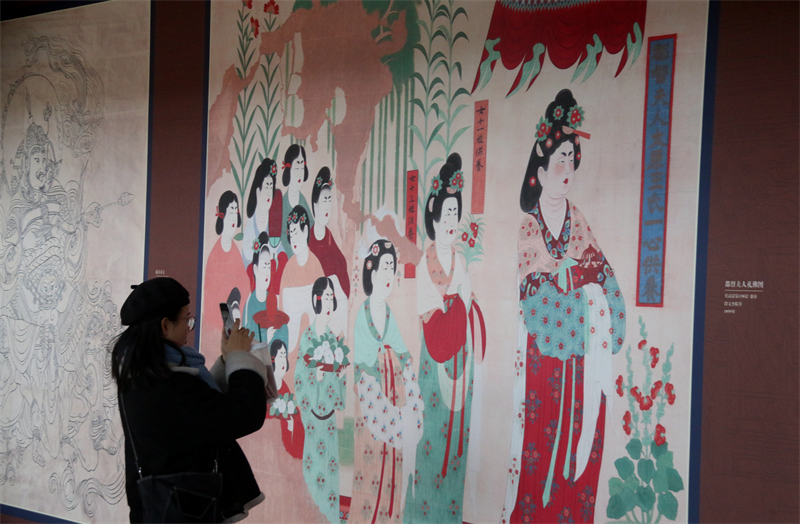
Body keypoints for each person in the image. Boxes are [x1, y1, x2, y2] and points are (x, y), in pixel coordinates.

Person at [503, 89, 626, 524]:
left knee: (584, 437)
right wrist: (581, 289)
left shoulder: (580, 221)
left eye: (572, 157)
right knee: (545, 445)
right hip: (546, 361)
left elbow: (604, 273)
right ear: (540, 169)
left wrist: (606, 305)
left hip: (585, 359)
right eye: (560, 159)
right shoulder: (528, 228)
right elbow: (535, 301)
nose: (567, 166)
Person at [111, 277, 277, 523]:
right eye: (187, 320)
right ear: (165, 326)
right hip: (182, 509)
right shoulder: (166, 386)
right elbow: (242, 414)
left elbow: (203, 410)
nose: (189, 328)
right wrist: (240, 357)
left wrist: (228, 358)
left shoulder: (143, 374)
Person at [404, 154, 485, 524]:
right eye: (445, 214)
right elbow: (434, 321)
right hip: (434, 363)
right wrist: (458, 299)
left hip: (461, 363)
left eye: (456, 214)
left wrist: (460, 297)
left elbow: (465, 313)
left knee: (457, 445)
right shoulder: (425, 266)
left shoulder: (462, 264)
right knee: (430, 439)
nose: (451, 222)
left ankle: (449, 512)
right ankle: (421, 513)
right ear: (434, 218)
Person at [350, 240, 424, 524]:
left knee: (391, 458)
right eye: (384, 268)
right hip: (371, 395)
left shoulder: (389, 313)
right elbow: (362, 360)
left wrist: (403, 359)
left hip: (391, 397)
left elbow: (399, 345)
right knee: (371, 461)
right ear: (372, 273)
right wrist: (377, 369)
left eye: (392, 268)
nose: (388, 275)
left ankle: (390, 514)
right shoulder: (363, 313)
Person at [295, 277, 348, 523]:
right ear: (317, 300)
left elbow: (337, 386)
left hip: (329, 422)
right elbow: (299, 379)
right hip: (314, 420)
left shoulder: (331, 337)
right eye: (324, 297)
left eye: (331, 297)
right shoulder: (307, 337)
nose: (328, 301)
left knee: (331, 474)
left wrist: (339, 374)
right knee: (314, 472)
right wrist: (313, 376)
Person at [202, 190, 251, 363]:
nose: (233, 218)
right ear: (222, 216)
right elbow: (211, 301)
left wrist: (236, 301)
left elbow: (244, 284)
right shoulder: (215, 255)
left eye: (236, 212)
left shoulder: (235, 251)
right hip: (219, 326)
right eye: (230, 212)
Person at [242, 158, 287, 292]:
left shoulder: (274, 224)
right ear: (257, 191)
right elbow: (249, 268)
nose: (269, 192)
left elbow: (282, 252)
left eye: (271, 187)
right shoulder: (250, 229)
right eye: (266, 186)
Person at [308, 167, 350, 297]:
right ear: (315, 205)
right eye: (324, 201)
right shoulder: (308, 238)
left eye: (329, 201)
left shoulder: (328, 235)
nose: (327, 206)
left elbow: (342, 263)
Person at [243, 231, 289, 349]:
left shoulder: (271, 299)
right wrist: (266, 339)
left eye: (269, 266)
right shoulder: (249, 305)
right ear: (255, 269)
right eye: (264, 266)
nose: (267, 272)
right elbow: (246, 343)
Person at [280, 144, 313, 257]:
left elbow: (311, 224)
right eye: (296, 168)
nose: (300, 173)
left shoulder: (302, 199)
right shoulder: (283, 203)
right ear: (289, 170)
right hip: (287, 255)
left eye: (302, 168)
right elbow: (281, 235)